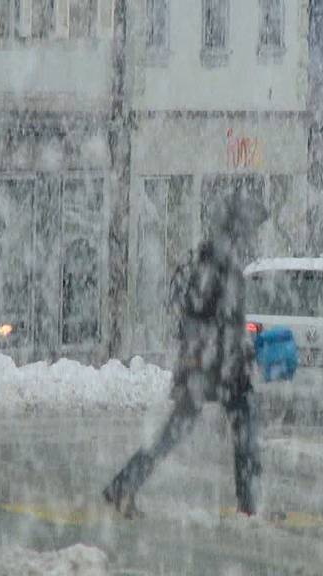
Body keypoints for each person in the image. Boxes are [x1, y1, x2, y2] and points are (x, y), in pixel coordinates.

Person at [103, 189, 268, 518]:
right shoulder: (218, 263)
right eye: (249, 229)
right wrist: (216, 353)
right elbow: (204, 316)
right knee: (235, 430)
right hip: (212, 367)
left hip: (215, 365)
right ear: (237, 229)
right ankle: (248, 506)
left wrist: (238, 349)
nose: (253, 236)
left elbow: (218, 318)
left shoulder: (216, 259)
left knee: (186, 431)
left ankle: (124, 485)